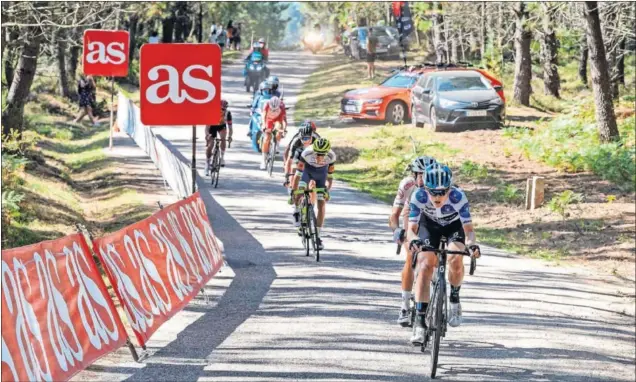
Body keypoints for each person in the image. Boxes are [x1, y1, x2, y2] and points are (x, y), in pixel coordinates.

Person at [406, 163, 481, 346]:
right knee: (424, 265)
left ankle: (454, 297)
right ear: (426, 188)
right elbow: (411, 229)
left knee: (455, 258)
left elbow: (469, 230)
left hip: (453, 227)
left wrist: (471, 245)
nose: (437, 197)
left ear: (449, 188)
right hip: (429, 226)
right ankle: (420, 322)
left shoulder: (458, 197)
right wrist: (414, 240)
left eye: (442, 192)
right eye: (433, 192)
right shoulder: (419, 195)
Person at [389, 156, 437, 326]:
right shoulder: (407, 185)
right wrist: (397, 230)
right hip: (412, 212)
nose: (424, 178)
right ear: (414, 175)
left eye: (427, 174)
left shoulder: (439, 183)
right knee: (411, 256)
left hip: (433, 214)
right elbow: (394, 214)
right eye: (420, 174)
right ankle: (404, 305)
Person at [291, 138, 336, 250]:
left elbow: (329, 177)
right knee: (300, 191)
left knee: (321, 204)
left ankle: (318, 236)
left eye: (322, 154)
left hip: (321, 175)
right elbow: (297, 175)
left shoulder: (331, 156)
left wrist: (327, 190)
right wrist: (294, 191)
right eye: (317, 154)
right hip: (307, 172)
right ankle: (297, 211)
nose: (319, 157)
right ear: (313, 150)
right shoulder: (306, 153)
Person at [284, 120, 320, 194]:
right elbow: (288, 158)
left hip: (311, 153)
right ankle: (292, 188)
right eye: (304, 138)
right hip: (299, 153)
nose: (306, 139)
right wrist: (287, 176)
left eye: (312, 131)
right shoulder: (296, 140)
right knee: (294, 168)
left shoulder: (317, 138)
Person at [205, 100, 233, 174]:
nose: (222, 111)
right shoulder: (212, 113)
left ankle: (222, 157)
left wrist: (230, 136)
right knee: (210, 145)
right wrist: (208, 135)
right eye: (220, 109)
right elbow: (207, 128)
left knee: (223, 139)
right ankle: (207, 163)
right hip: (212, 126)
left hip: (221, 126)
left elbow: (230, 128)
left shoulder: (228, 114)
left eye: (224, 109)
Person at [260, 96, 287, 170]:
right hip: (268, 120)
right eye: (272, 109)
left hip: (278, 120)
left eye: (275, 109)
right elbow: (263, 116)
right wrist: (263, 125)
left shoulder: (282, 106)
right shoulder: (267, 104)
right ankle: (263, 159)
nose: (273, 110)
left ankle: (276, 145)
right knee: (267, 138)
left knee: (279, 129)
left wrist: (284, 129)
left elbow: (284, 120)